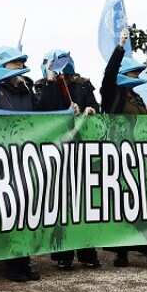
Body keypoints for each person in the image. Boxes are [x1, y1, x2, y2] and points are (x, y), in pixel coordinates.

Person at [99, 33, 147, 267]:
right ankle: (121, 252)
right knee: (121, 205)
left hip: (142, 159)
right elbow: (109, 74)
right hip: (118, 157)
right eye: (131, 73)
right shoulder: (111, 95)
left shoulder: (136, 97)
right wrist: (120, 47)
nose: (135, 77)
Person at [0, 46, 40, 281]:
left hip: (26, 157)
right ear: (0, 66)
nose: (21, 67)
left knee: (26, 211)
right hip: (0, 162)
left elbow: (43, 113)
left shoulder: (26, 90)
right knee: (9, 211)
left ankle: (24, 260)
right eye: (15, 63)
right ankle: (13, 264)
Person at [36, 49, 102, 270]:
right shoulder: (43, 86)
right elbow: (41, 110)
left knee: (83, 202)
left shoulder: (83, 85)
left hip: (81, 149)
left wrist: (89, 109)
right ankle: (63, 253)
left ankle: (86, 251)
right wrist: (50, 83)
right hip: (57, 151)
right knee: (61, 202)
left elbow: (96, 107)